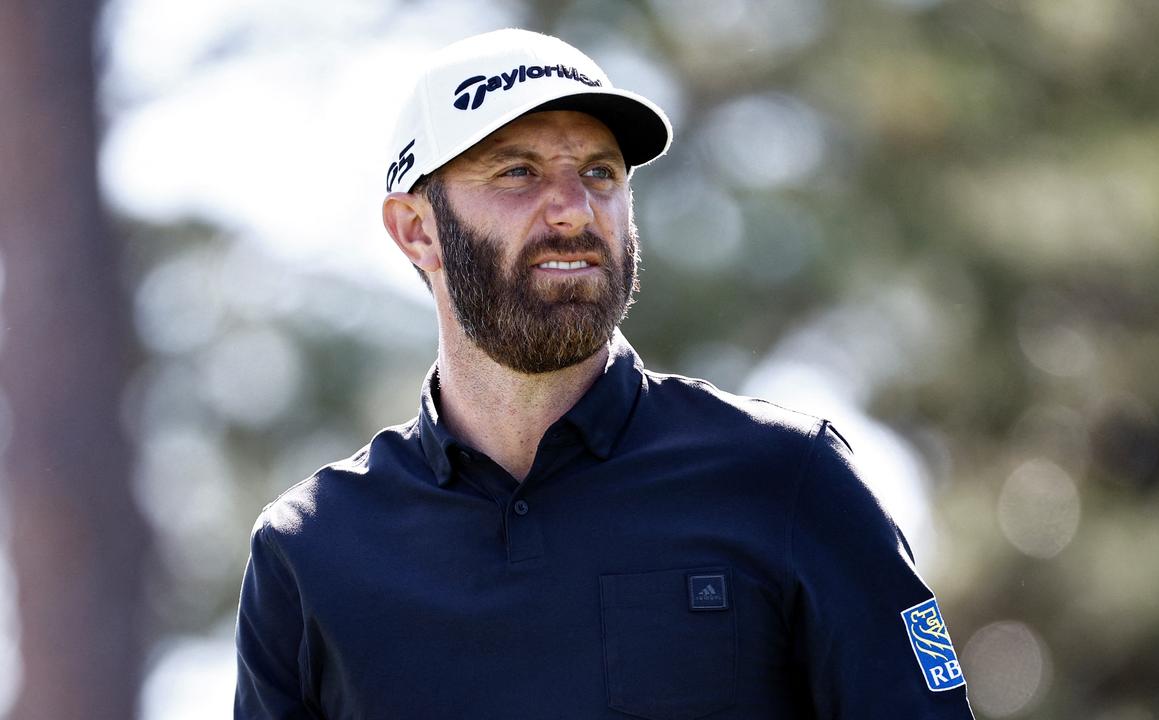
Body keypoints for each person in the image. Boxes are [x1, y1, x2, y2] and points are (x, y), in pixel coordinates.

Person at [234, 28, 974, 719]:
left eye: (599, 172)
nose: (572, 209)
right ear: (417, 230)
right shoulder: (310, 551)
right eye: (518, 172)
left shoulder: (790, 479)